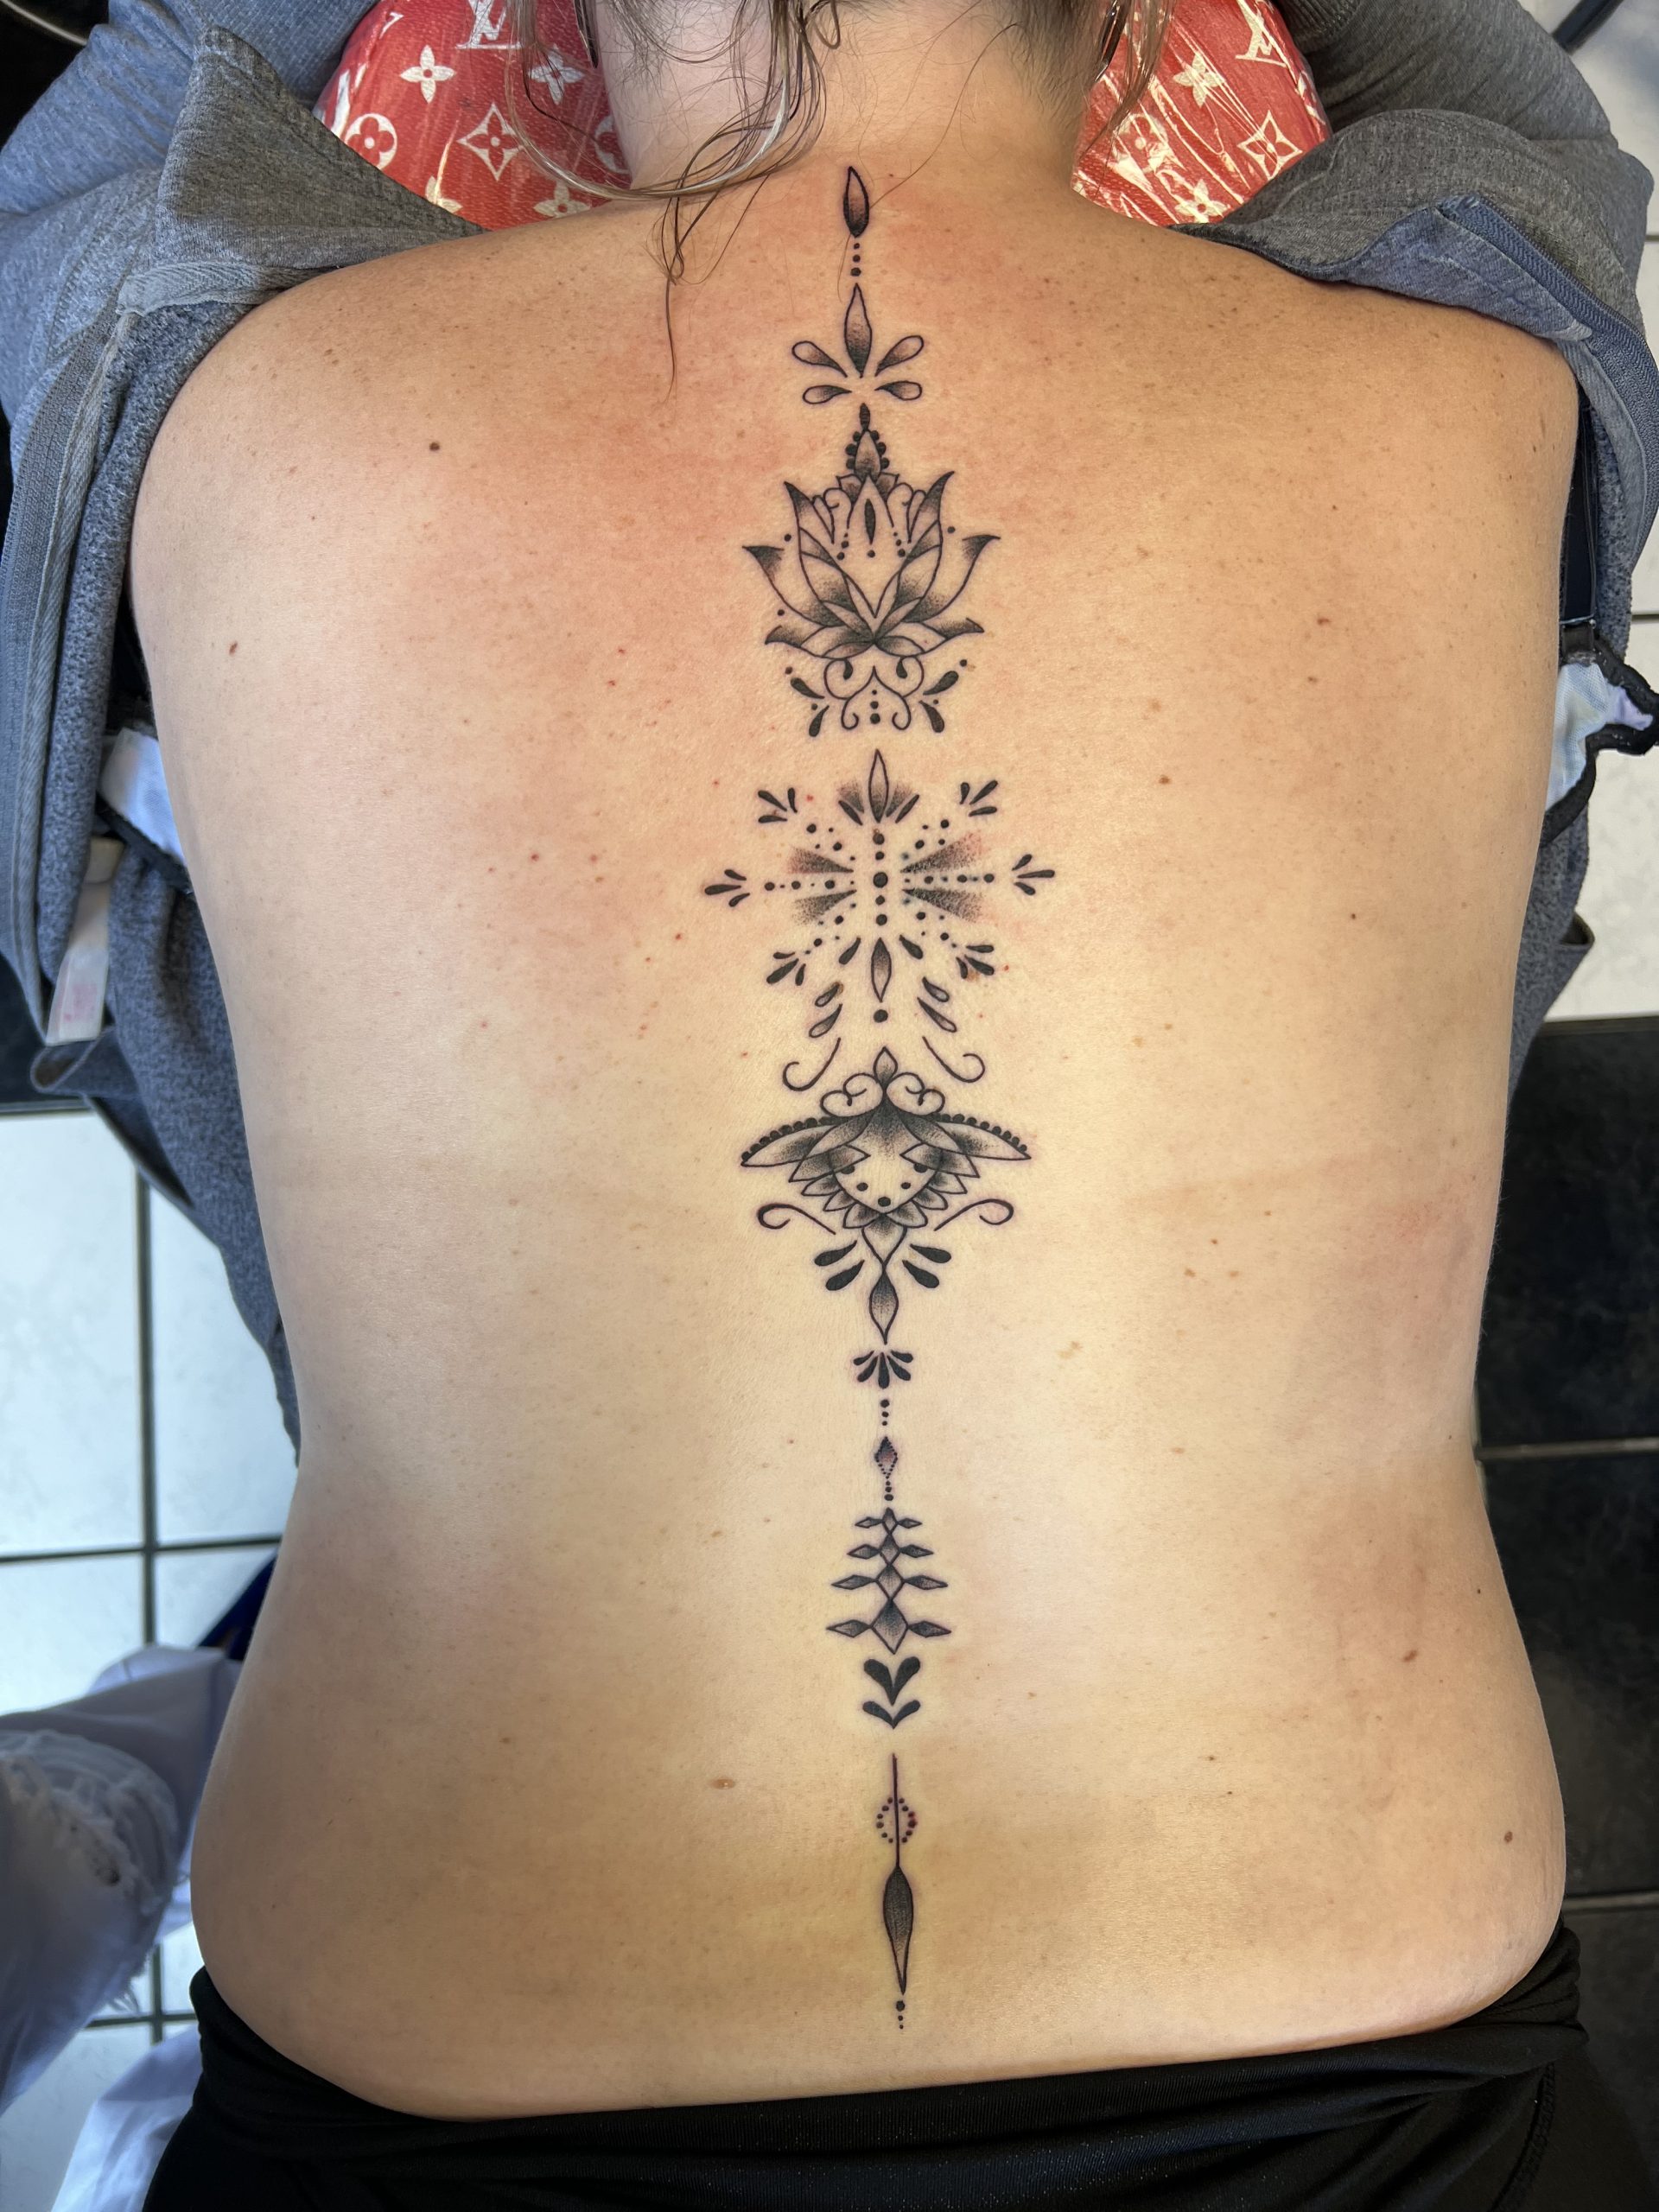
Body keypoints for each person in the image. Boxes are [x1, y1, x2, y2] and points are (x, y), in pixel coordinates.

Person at [2, 1, 1657, 2205]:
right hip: (1382, 2080)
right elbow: (1529, 115)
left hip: (457, 2057)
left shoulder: (236, 377)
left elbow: (88, 152)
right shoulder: (1474, 367)